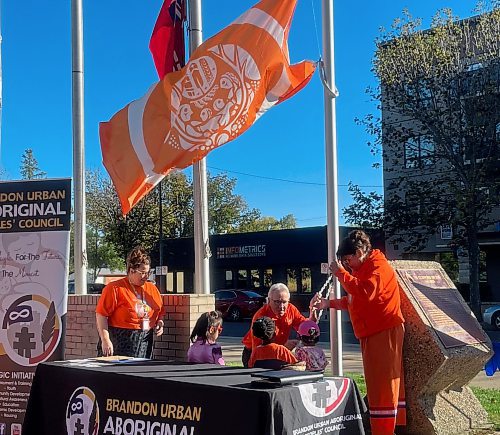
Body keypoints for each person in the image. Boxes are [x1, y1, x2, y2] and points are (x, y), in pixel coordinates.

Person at [312, 230, 406, 435]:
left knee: (383, 384)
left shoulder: (377, 266)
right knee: (378, 384)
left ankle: (384, 430)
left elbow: (365, 292)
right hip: (374, 331)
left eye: (348, 260)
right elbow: (355, 300)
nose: (347, 265)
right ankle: (385, 427)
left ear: (359, 252)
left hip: (383, 330)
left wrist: (340, 273)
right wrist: (328, 303)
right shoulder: (364, 269)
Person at [95, 246, 165, 358]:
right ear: (131, 271)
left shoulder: (152, 289)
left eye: (148, 272)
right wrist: (105, 339)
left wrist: (160, 323)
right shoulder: (115, 288)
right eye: (142, 273)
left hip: (144, 339)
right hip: (120, 339)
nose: (146, 276)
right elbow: (101, 314)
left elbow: (160, 311)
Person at [241, 283, 317, 368]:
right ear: (269, 301)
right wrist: (283, 347)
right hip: (255, 354)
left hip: (278, 351)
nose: (281, 306)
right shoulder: (261, 317)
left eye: (284, 302)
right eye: (277, 302)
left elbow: (306, 328)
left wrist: (313, 310)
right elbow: (259, 349)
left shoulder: (291, 309)